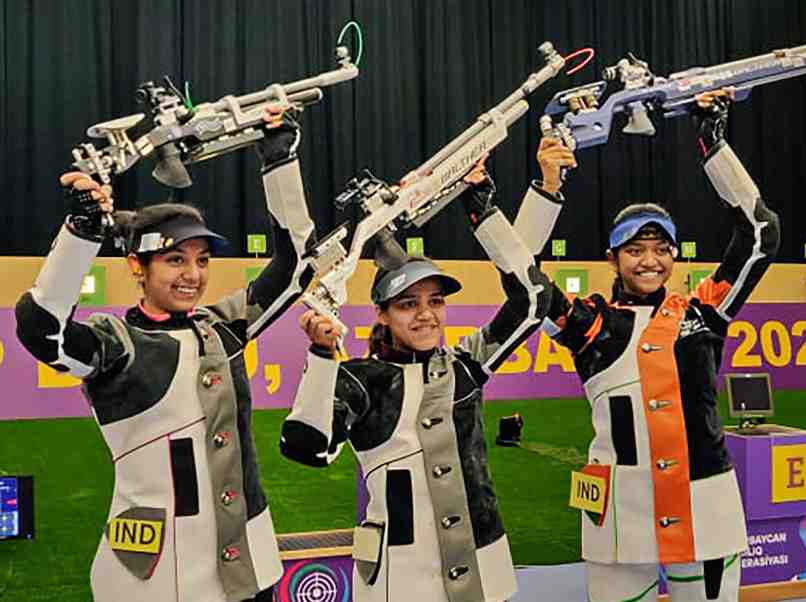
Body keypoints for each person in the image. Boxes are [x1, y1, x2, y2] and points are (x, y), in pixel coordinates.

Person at [15, 108, 315, 601]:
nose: (192, 275)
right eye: (175, 259)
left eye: (202, 260)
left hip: (249, 569)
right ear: (138, 266)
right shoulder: (117, 344)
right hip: (152, 579)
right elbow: (42, 330)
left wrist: (279, 157)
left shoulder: (224, 327)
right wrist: (82, 230)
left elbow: (297, 265)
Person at [521, 91, 781, 601]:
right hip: (620, 509)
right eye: (635, 250)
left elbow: (761, 234)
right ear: (612, 258)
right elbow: (521, 279)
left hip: (704, 500)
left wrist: (712, 142)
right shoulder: (590, 323)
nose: (650, 261)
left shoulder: (704, 311)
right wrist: (547, 187)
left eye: (662, 249)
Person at [279, 157, 559, 602]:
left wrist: (480, 207)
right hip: (399, 576)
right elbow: (306, 448)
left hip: (482, 564)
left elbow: (532, 298)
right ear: (382, 315)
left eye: (435, 301)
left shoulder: (466, 364)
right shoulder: (359, 379)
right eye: (408, 304)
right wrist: (322, 355)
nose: (426, 314)